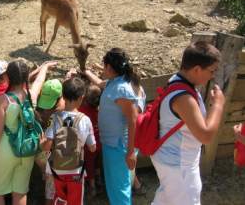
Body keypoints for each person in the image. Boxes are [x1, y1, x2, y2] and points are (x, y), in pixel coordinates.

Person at [150, 41, 225, 205]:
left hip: (172, 161)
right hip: (179, 167)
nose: (212, 75)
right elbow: (205, 136)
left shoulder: (177, 81)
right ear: (197, 69)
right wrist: (218, 105)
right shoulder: (184, 98)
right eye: (211, 71)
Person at [0, 60, 57, 205]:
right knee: (20, 192)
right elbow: (39, 81)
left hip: (6, 150)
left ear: (7, 77)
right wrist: (45, 67)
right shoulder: (30, 96)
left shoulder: (3, 100)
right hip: (27, 150)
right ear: (26, 76)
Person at [84, 48, 143, 205]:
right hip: (113, 145)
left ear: (109, 68)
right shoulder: (116, 82)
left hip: (119, 147)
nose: (103, 70)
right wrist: (86, 71)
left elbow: (132, 120)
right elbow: (100, 83)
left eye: (104, 67)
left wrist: (130, 152)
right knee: (116, 186)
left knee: (119, 188)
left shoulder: (121, 89)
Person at [43, 77, 96, 205]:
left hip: (56, 169)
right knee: (75, 201)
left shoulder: (53, 118)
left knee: (59, 199)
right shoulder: (85, 120)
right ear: (81, 98)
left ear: (63, 97)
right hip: (76, 171)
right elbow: (92, 147)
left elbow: (47, 145)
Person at [35, 79, 64, 205]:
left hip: (45, 157)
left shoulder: (39, 111)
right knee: (54, 192)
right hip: (58, 158)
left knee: (50, 191)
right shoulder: (63, 111)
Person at [78, 84, 102, 197]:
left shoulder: (82, 110)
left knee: (89, 165)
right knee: (97, 162)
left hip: (89, 146)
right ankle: (99, 180)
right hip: (99, 143)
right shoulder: (99, 110)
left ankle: (92, 187)